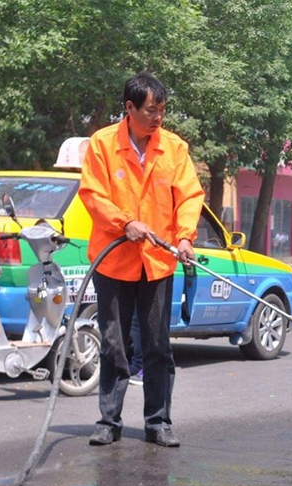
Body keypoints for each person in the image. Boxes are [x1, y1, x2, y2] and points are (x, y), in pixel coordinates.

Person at [80, 72, 205, 447]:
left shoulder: (174, 148)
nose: (158, 118)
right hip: (113, 263)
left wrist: (184, 237)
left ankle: (158, 422)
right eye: (152, 110)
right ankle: (109, 421)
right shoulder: (102, 145)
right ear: (129, 108)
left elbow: (189, 196)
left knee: (157, 345)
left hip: (157, 261)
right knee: (114, 345)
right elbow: (93, 194)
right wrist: (124, 223)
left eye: (163, 110)